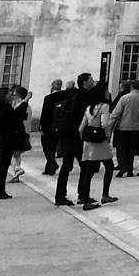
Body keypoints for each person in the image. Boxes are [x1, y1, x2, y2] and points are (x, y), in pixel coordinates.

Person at [52, 72, 94, 207]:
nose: (93, 81)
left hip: (67, 134)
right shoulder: (85, 96)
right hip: (78, 135)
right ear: (85, 82)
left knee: (66, 166)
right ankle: (83, 196)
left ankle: (60, 196)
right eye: (91, 80)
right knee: (85, 166)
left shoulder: (71, 95)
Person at [76, 84, 120, 210]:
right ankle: (105, 194)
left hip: (89, 143)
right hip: (100, 142)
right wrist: (107, 136)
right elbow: (105, 124)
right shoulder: (105, 107)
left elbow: (81, 128)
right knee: (109, 167)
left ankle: (85, 198)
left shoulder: (89, 108)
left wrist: (85, 139)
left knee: (88, 172)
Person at [111, 79, 139, 177]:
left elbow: (116, 113)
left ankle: (122, 167)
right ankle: (130, 169)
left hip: (123, 127)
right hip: (136, 127)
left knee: (121, 149)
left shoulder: (124, 98)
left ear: (131, 87)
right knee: (131, 149)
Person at [38, 79, 65, 175]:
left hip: (49, 125)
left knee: (46, 146)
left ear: (53, 86)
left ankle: (52, 164)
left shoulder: (48, 98)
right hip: (60, 125)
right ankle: (49, 168)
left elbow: (45, 113)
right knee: (52, 147)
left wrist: (41, 127)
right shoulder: (64, 96)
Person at [8, 85, 33, 182]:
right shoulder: (22, 105)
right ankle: (16, 174)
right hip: (23, 133)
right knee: (16, 155)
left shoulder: (23, 107)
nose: (13, 96)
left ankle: (17, 169)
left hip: (20, 133)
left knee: (10, 154)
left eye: (14, 94)